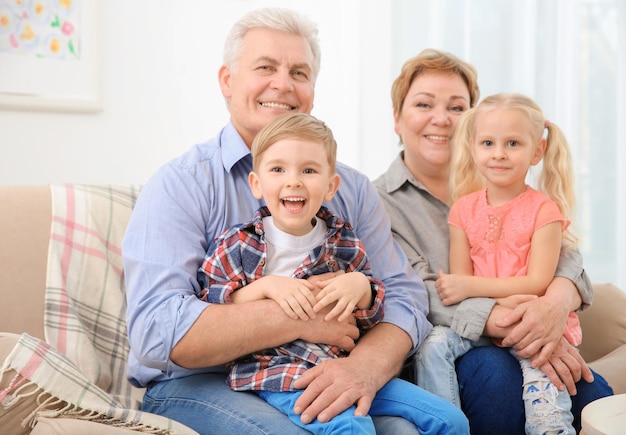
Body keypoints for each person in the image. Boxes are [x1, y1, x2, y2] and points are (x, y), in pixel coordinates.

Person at [122, 8, 433, 435]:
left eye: (299, 73)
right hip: (197, 382)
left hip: (317, 369)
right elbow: (159, 332)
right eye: (265, 67)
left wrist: (364, 366)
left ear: (312, 91)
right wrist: (303, 319)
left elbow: (404, 297)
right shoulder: (182, 184)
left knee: (405, 432)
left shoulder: (351, 190)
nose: (283, 84)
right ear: (227, 81)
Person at [372, 48, 614, 434]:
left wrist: (556, 300)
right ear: (397, 119)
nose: (441, 119)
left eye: (456, 107)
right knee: (497, 376)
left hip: (533, 326)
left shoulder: (507, 184)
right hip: (458, 350)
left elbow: (564, 252)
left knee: (594, 395)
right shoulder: (377, 202)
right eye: (423, 104)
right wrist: (503, 319)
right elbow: (417, 292)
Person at [198, 112, 469, 434]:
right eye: (278, 169)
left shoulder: (343, 239)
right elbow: (211, 304)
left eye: (309, 170)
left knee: (450, 420)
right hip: (279, 373)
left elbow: (369, 315)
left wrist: (362, 287)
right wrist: (266, 287)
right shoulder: (238, 244)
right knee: (353, 428)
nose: (293, 180)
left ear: (330, 186)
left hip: (341, 366)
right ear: (257, 183)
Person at [421, 93, 582, 435]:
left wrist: (475, 289)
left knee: (543, 398)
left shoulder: (544, 211)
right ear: (473, 147)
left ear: (537, 151)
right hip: (486, 326)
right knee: (433, 345)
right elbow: (459, 292)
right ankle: (445, 425)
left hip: (532, 324)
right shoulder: (463, 210)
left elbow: (538, 283)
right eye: (488, 143)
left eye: (512, 143)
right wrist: (489, 296)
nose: (498, 153)